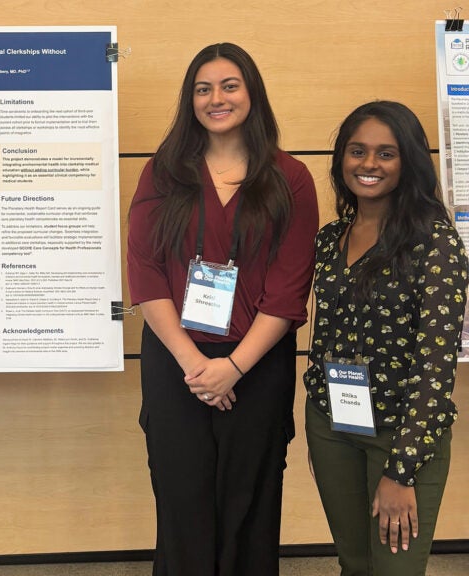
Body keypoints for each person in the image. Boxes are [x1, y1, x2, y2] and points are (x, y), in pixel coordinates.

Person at [126, 43, 319, 575]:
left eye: (229, 85)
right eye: (203, 89)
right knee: (181, 496)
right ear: (190, 100)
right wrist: (197, 366)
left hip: (257, 362)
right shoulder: (162, 173)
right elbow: (146, 274)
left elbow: (288, 288)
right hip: (176, 360)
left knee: (248, 501)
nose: (217, 98)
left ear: (252, 93)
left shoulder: (290, 177)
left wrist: (233, 367)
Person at [304, 101, 467, 576]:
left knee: (396, 571)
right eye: (357, 151)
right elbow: (323, 337)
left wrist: (402, 469)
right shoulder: (329, 238)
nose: (369, 163)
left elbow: (435, 366)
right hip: (332, 424)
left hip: (402, 433)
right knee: (354, 565)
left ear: (408, 161)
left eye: (386, 153)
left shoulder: (435, 242)